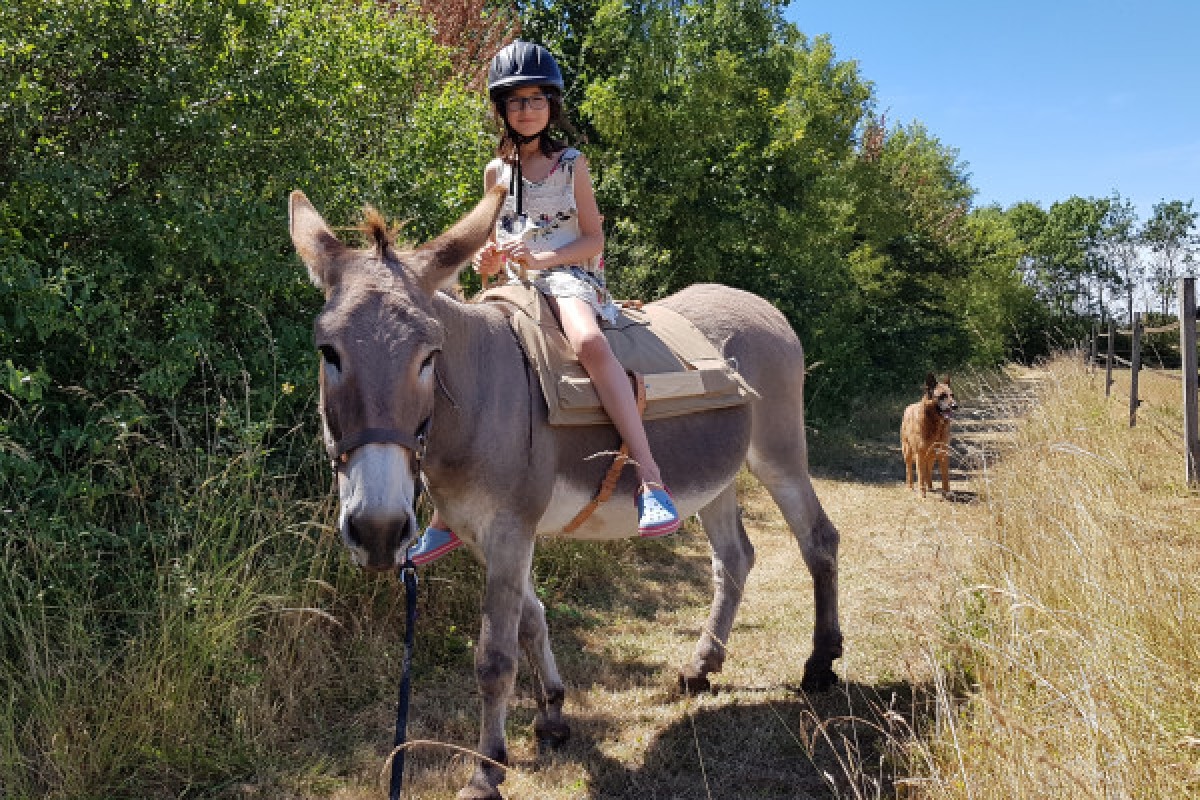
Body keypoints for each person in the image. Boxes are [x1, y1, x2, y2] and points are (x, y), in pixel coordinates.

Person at [408, 40, 680, 565]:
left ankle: (650, 479)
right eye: (516, 101)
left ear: (552, 105)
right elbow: (492, 241)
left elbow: (594, 239)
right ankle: (444, 515)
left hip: (566, 279)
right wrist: (491, 259)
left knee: (589, 342)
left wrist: (540, 259)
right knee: (456, 361)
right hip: (510, 287)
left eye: (536, 100)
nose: (526, 110)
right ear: (502, 110)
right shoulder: (495, 173)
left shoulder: (571, 164)